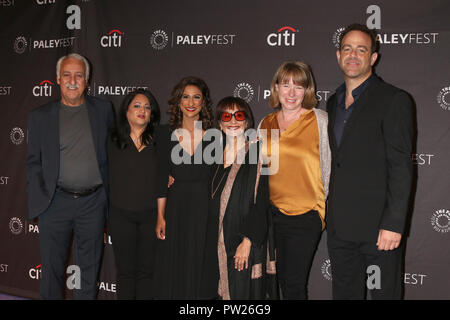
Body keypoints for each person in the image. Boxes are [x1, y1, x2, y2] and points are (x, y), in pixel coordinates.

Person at [326, 23, 414, 300]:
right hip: (340, 227)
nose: (353, 55)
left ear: (373, 57)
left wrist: (393, 224)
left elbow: (401, 167)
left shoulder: (394, 99)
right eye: (347, 49)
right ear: (338, 55)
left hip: (379, 228)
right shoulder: (332, 102)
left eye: (361, 49)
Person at [26, 53, 114, 299]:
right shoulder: (40, 116)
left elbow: (118, 150)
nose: (72, 80)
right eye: (67, 75)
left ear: (87, 80)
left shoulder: (103, 110)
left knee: (89, 273)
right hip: (55, 203)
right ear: (57, 79)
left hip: (93, 203)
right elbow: (33, 162)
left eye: (79, 75)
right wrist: (43, 196)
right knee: (52, 271)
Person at [259, 61, 331, 300]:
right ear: (276, 88)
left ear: (307, 90)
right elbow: (255, 170)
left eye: (298, 86)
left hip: (306, 213)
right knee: (273, 282)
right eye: (286, 85)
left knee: (294, 285)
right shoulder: (265, 124)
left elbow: (331, 165)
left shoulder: (320, 120)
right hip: (271, 214)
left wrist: (321, 207)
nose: (291, 92)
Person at [153, 76, 215, 299]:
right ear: (178, 101)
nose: (191, 102)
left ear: (203, 102)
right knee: (173, 262)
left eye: (196, 97)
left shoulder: (216, 135)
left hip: (205, 208)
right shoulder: (163, 133)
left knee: (200, 262)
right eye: (185, 96)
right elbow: (161, 177)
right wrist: (161, 216)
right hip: (175, 206)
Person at [204, 96, 269, 300]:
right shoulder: (211, 156)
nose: (233, 121)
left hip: (242, 241)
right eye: (226, 116)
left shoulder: (259, 153)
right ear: (220, 123)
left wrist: (247, 242)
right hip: (214, 243)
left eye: (238, 115)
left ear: (247, 121)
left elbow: (263, 203)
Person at [107, 88, 164, 299]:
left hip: (151, 217)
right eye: (137, 106)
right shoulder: (112, 140)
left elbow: (169, 172)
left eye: (147, 107)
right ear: (126, 111)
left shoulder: (161, 140)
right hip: (120, 216)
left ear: (152, 114)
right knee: (126, 273)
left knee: (147, 273)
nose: (143, 110)